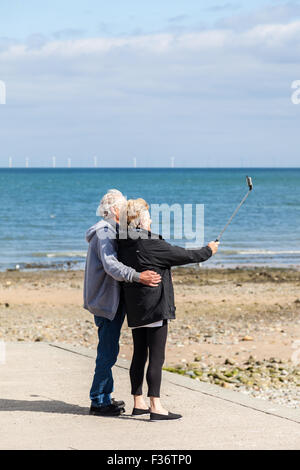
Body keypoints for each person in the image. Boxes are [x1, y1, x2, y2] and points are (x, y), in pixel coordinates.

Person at [117, 198, 219, 421]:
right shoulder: (149, 242)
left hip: (135, 305)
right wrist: (208, 250)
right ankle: (156, 406)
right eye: (148, 216)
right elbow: (185, 255)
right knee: (156, 357)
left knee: (139, 354)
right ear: (142, 221)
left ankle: (139, 402)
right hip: (154, 305)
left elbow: (159, 259)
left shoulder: (123, 241)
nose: (152, 219)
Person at [84, 190, 161, 417]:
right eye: (125, 208)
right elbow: (112, 266)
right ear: (116, 210)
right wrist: (139, 277)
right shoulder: (104, 232)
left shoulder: (111, 231)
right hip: (106, 302)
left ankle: (104, 397)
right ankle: (98, 401)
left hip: (107, 300)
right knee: (107, 352)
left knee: (110, 350)